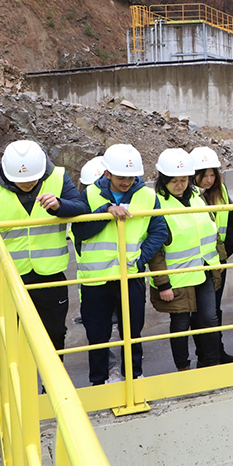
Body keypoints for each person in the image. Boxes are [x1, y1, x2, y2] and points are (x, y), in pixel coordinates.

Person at [0, 140, 88, 357]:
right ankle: (22, 390)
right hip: (9, 278)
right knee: (14, 340)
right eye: (21, 180)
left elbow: (81, 207)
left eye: (33, 179)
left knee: (55, 333)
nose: (28, 183)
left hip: (50, 275)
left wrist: (60, 205)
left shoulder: (58, 178)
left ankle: (49, 387)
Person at [73, 144, 169, 386]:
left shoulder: (147, 196)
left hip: (131, 276)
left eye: (130, 177)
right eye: (121, 177)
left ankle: (134, 376)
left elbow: (159, 231)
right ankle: (98, 382)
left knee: (132, 332)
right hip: (96, 280)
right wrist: (105, 213)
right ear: (107, 174)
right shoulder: (89, 195)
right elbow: (80, 232)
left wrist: (139, 259)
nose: (126, 182)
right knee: (97, 336)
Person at [147, 149, 222, 371]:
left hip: (205, 270)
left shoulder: (197, 197)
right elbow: (155, 250)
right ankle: (183, 369)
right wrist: (163, 283)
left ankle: (211, 364)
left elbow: (210, 230)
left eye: (184, 180)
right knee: (180, 325)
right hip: (177, 278)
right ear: (163, 179)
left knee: (209, 319)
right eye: (174, 181)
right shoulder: (156, 204)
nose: (180, 185)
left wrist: (220, 261)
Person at [191, 147, 233, 363]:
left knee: (213, 311)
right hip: (197, 263)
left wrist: (223, 257)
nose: (209, 180)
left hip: (218, 262)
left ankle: (216, 351)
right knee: (200, 313)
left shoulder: (221, 194)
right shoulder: (190, 198)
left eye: (212, 175)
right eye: (205, 176)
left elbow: (231, 227)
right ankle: (204, 355)